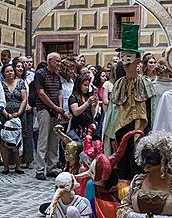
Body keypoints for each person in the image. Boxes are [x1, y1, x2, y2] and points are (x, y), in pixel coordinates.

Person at [102, 24, 155, 155]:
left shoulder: (145, 83)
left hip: (141, 130)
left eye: (129, 59)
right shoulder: (119, 84)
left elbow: (151, 109)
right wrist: (111, 135)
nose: (125, 64)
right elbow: (112, 111)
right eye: (123, 58)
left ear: (138, 61)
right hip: (121, 130)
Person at [35, 52, 68, 181]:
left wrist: (59, 109)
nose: (59, 63)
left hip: (55, 111)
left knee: (54, 140)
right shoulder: (40, 74)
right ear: (50, 61)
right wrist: (55, 107)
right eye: (57, 61)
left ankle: (51, 168)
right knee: (43, 140)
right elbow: (41, 94)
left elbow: (60, 93)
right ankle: (39, 169)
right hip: (44, 110)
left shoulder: (57, 76)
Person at [0, 63, 27, 175]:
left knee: (18, 141)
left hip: (19, 115)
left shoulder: (20, 83)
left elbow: (24, 99)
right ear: (3, 74)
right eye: (7, 71)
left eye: (11, 70)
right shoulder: (1, 85)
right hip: (4, 115)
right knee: (4, 141)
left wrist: (19, 112)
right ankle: (6, 166)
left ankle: (18, 166)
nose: (10, 73)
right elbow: (0, 100)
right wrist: (6, 113)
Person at [68, 74, 98, 142]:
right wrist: (87, 103)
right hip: (77, 128)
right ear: (79, 85)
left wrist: (94, 105)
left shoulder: (87, 96)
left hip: (88, 128)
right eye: (85, 85)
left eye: (88, 85)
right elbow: (75, 112)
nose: (87, 88)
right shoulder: (73, 97)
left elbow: (92, 114)